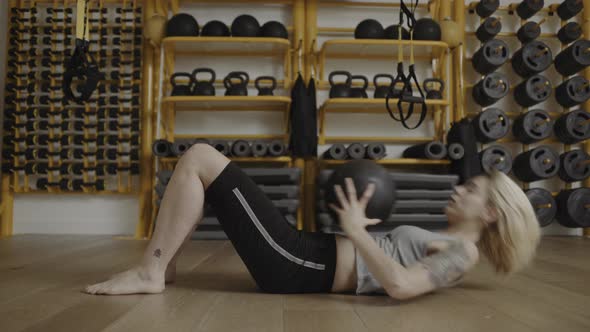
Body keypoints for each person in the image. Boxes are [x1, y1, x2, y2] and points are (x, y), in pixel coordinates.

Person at [84, 143, 541, 300]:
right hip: (306, 251)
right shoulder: (455, 248)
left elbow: (402, 286)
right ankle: (161, 267)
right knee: (202, 167)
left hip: (298, 265)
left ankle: (151, 272)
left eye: (472, 190)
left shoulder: (462, 253)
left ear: (490, 212)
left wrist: (358, 229)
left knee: (201, 158)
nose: (459, 189)